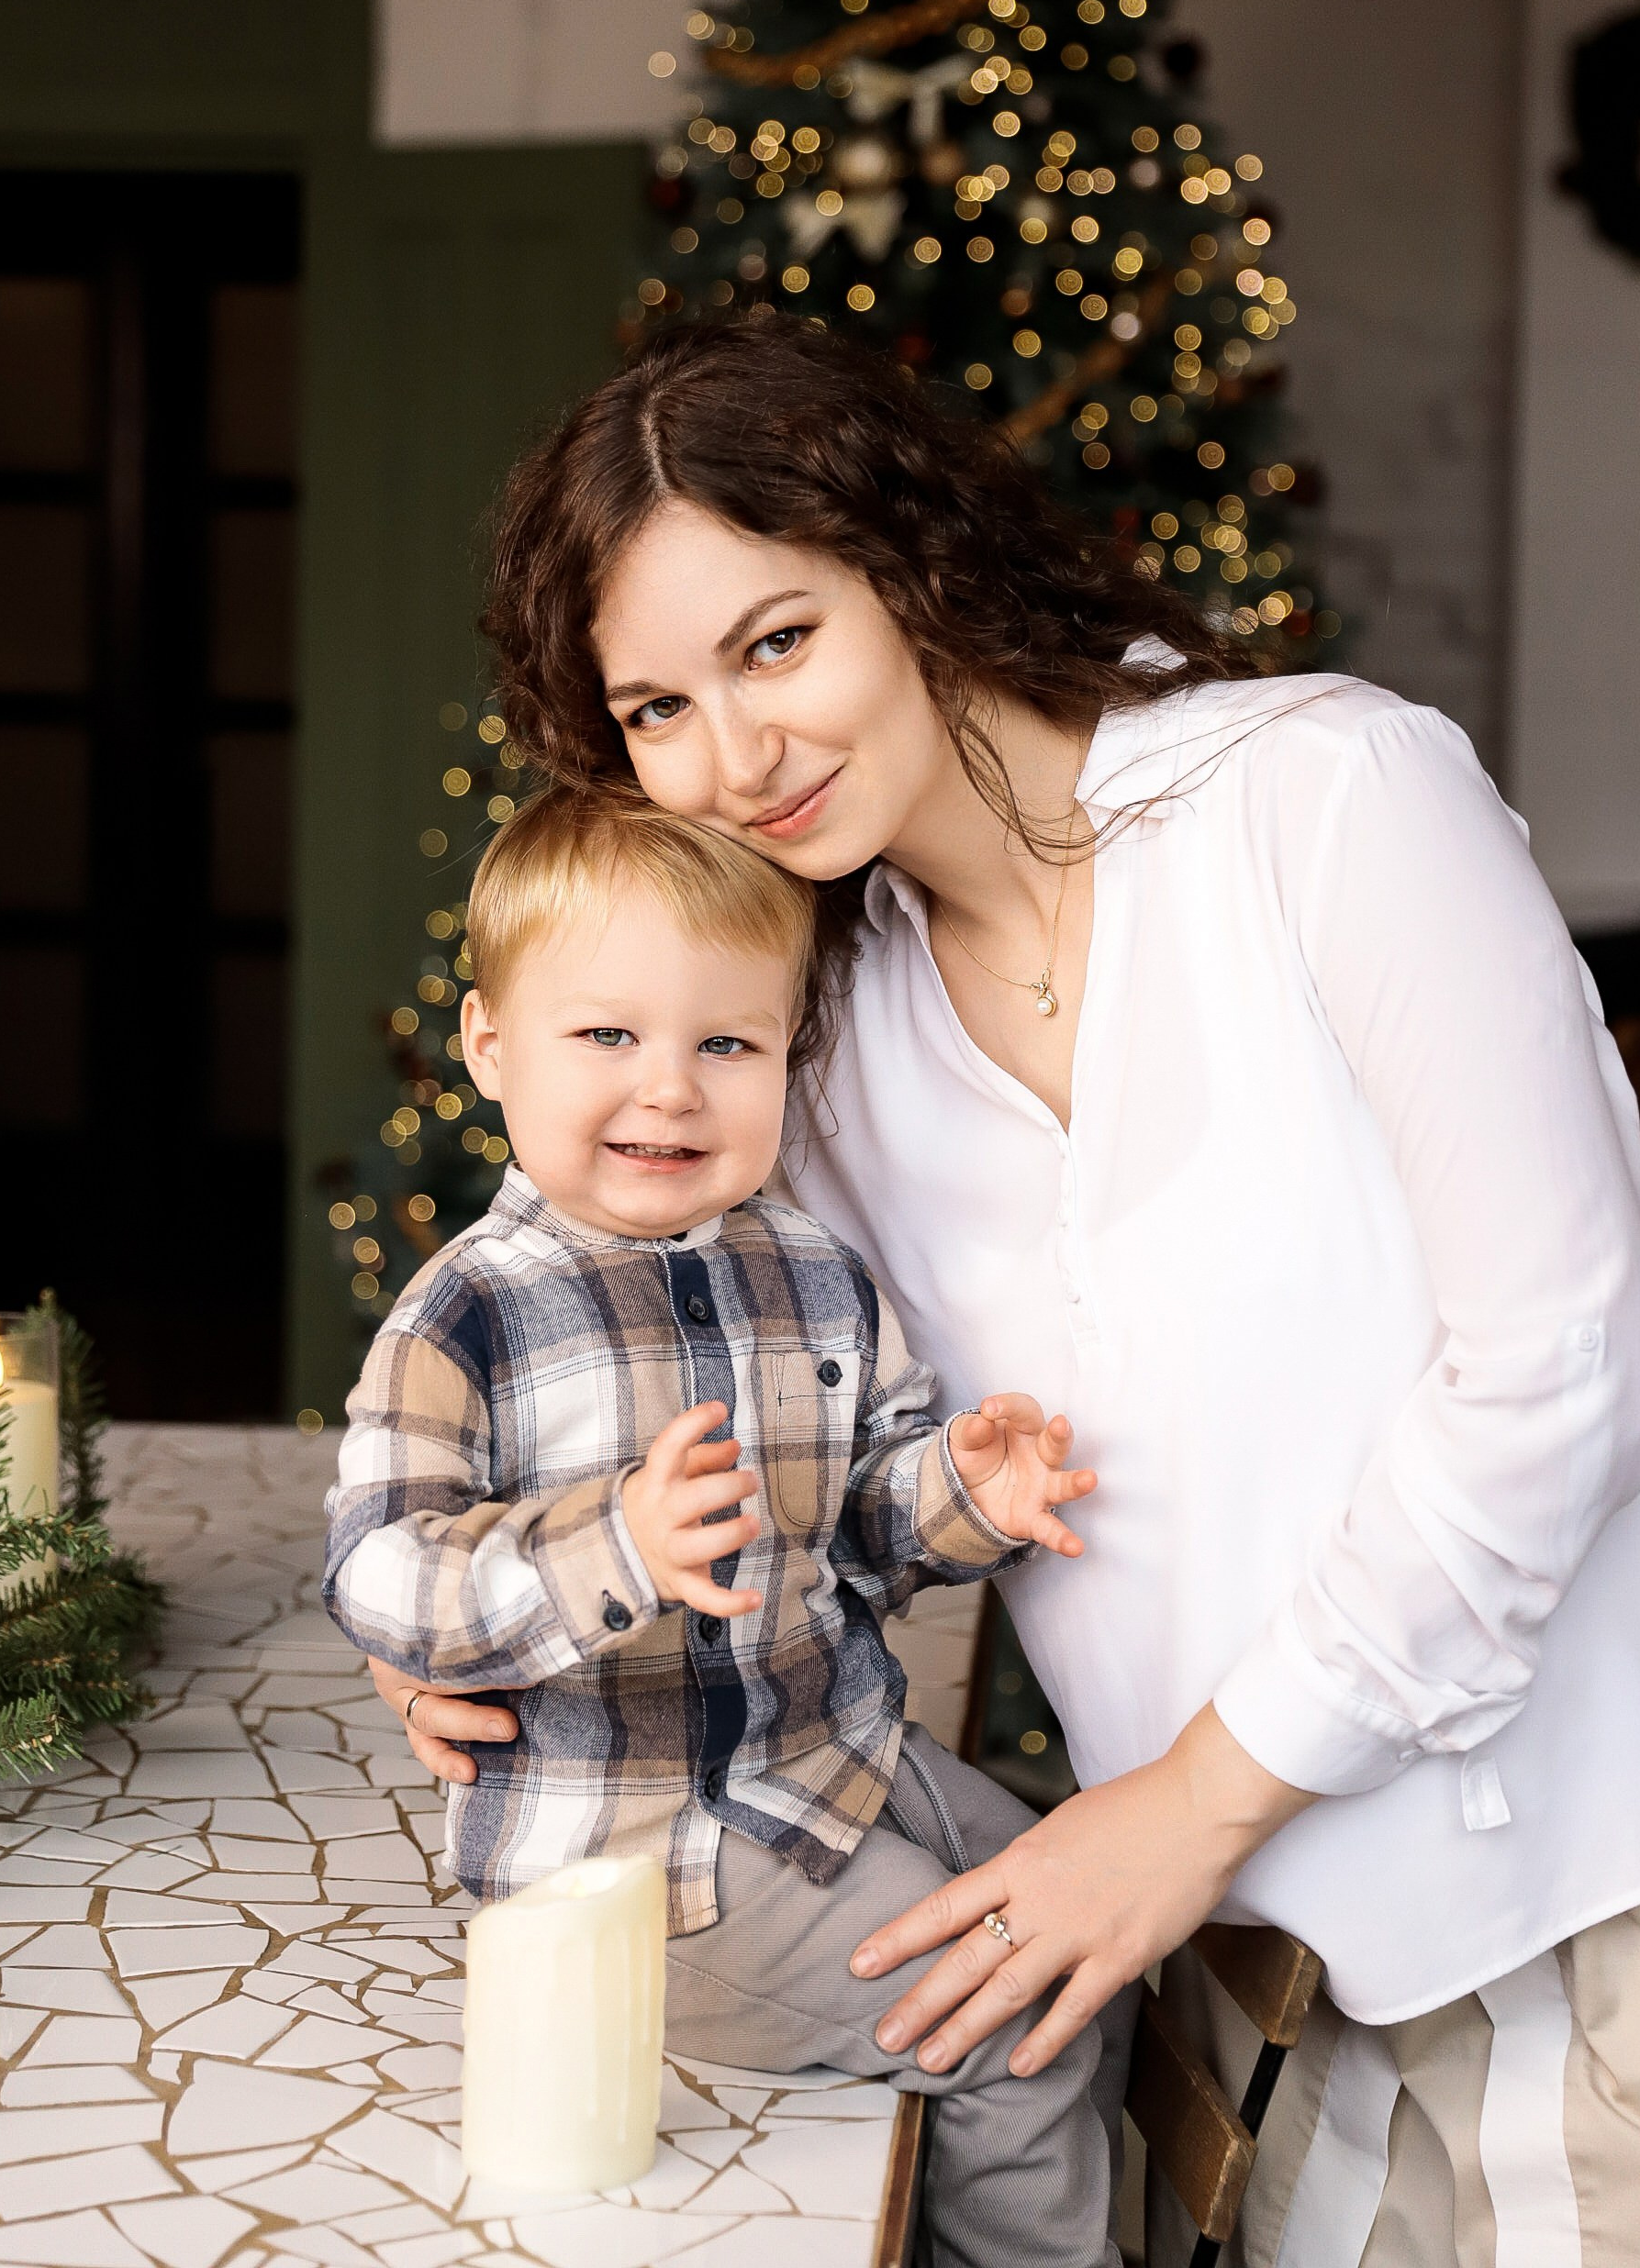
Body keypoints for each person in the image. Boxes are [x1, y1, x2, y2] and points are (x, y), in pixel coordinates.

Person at [373, 313, 1640, 2264]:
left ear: (910, 566)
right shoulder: (815, 1026)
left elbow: (1554, 1371)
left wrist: (1189, 1809)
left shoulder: (1327, 797)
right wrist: (493, 1580)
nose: (732, 759)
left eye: (775, 641)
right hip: (1271, 1977)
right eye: (653, 709)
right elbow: (640, 1332)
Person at [323, 786, 1133, 2268]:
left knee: (1091, 1935)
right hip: (650, 1872)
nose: (672, 1089)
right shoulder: (469, 1315)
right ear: (493, 1046)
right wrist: (612, 1552)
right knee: (1016, 2001)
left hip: (840, 1759)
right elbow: (380, 1573)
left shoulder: (812, 1271)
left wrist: (967, 1490)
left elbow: (866, 1522)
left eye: (728, 1044)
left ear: (784, 1058)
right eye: (608, 1036)